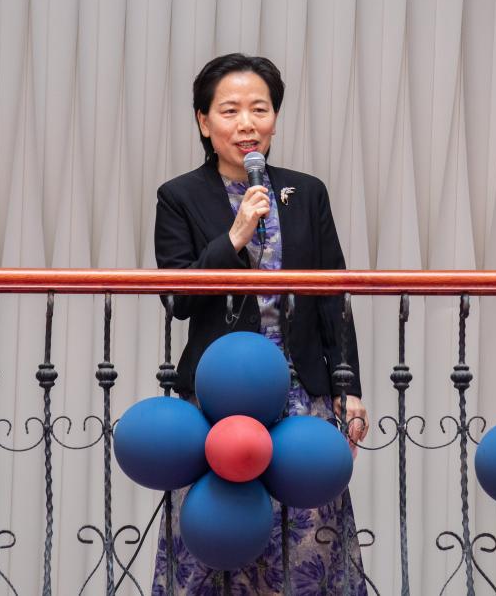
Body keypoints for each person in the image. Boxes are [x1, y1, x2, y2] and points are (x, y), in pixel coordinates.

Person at [152, 53, 369, 594]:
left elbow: (332, 297)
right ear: (204, 121)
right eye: (230, 111)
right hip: (220, 399)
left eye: (260, 109)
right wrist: (235, 236)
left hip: (301, 394)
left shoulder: (307, 192)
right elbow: (178, 297)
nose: (247, 124)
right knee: (214, 541)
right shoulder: (179, 196)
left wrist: (348, 390)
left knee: (307, 545)